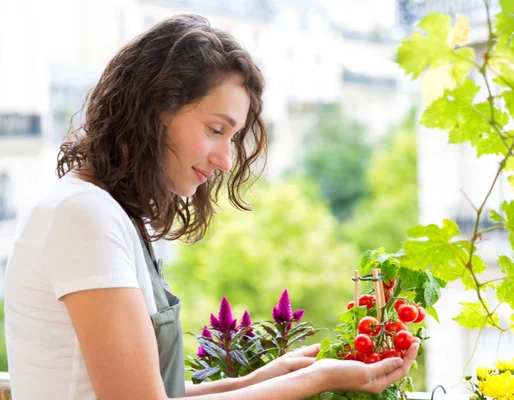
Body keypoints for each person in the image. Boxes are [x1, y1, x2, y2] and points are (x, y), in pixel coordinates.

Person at [4, 14, 420, 400]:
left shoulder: (102, 210)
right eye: (215, 129)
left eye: (233, 138)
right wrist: (317, 379)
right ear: (155, 109)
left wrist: (253, 380)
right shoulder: (83, 216)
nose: (225, 159)